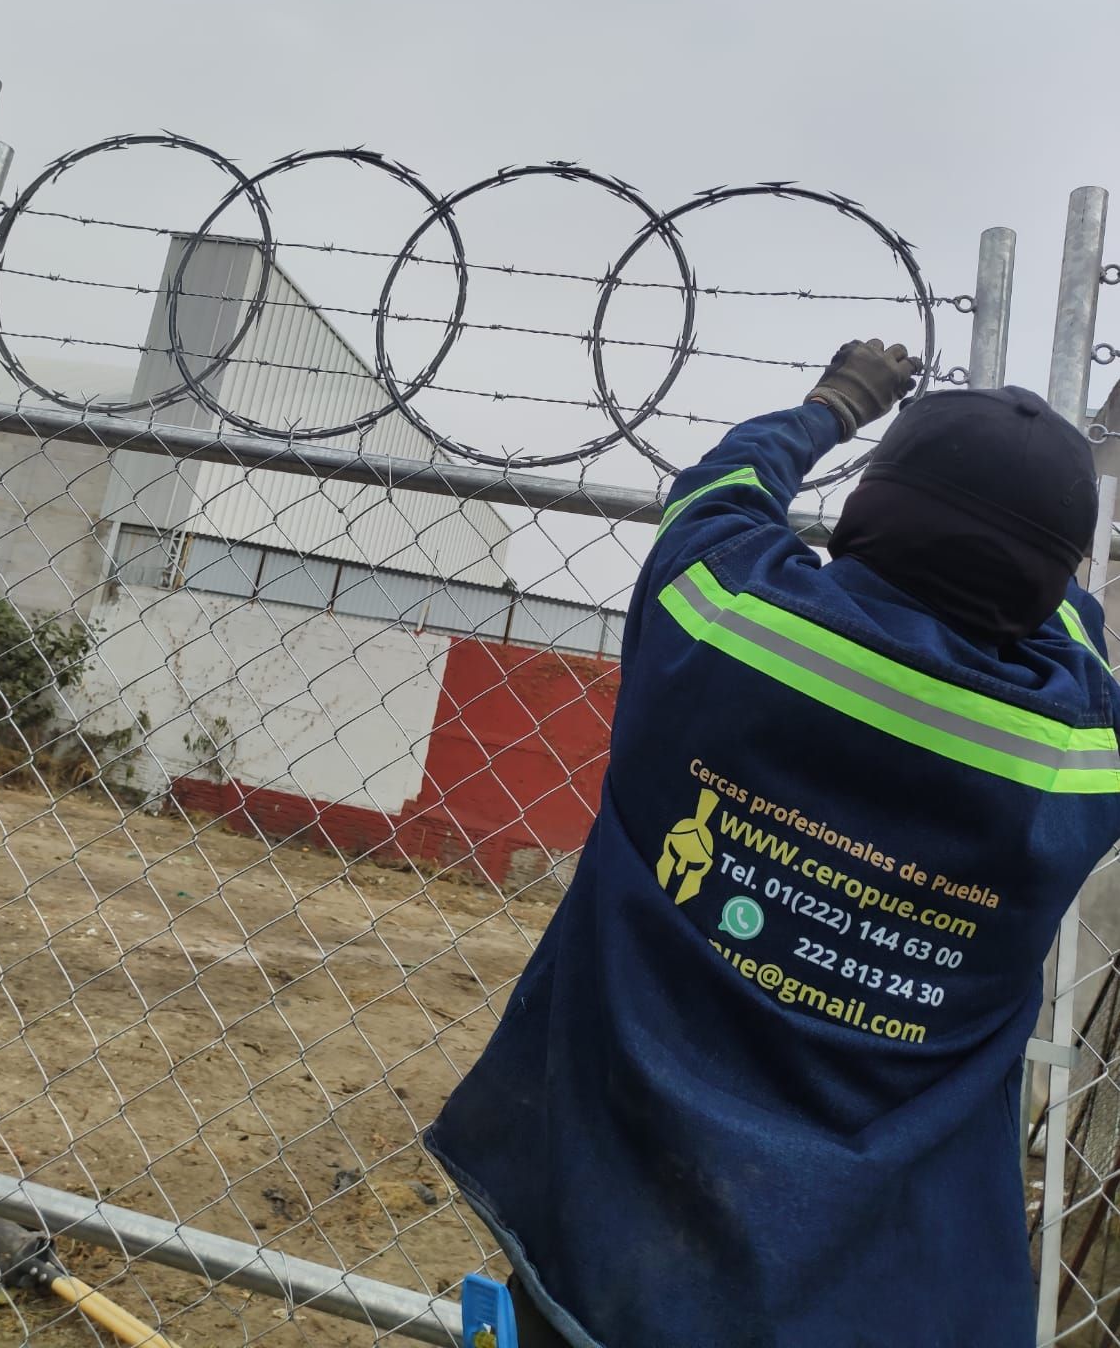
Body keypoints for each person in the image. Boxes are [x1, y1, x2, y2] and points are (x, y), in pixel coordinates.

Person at [427, 340, 1120, 1348]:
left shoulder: (723, 620)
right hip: (864, 1293)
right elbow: (1082, 632)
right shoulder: (1071, 762)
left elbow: (720, 489)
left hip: (613, 1229)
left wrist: (836, 404)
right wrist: (1028, 535)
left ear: (865, 516)